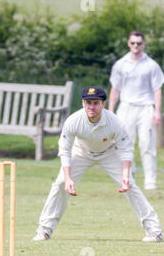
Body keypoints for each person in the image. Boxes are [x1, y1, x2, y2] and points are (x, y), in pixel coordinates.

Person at [33, 86, 162, 243]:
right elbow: (65, 150)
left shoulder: (114, 122)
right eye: (88, 103)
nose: (91, 107)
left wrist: (126, 176)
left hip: (109, 152)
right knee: (60, 184)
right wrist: (67, 178)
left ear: (103, 104)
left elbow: (126, 149)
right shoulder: (73, 120)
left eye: (95, 103)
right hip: (80, 152)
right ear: (83, 103)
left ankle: (155, 232)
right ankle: (44, 230)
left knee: (131, 186)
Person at [108, 30, 164, 190]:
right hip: (126, 107)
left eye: (139, 43)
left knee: (147, 144)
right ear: (128, 43)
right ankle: (128, 177)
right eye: (133, 43)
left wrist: (157, 111)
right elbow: (115, 89)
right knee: (125, 144)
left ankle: (150, 181)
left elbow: (157, 90)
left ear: (143, 44)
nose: (136, 46)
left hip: (145, 107)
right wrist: (111, 109)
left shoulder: (151, 65)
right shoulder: (120, 64)